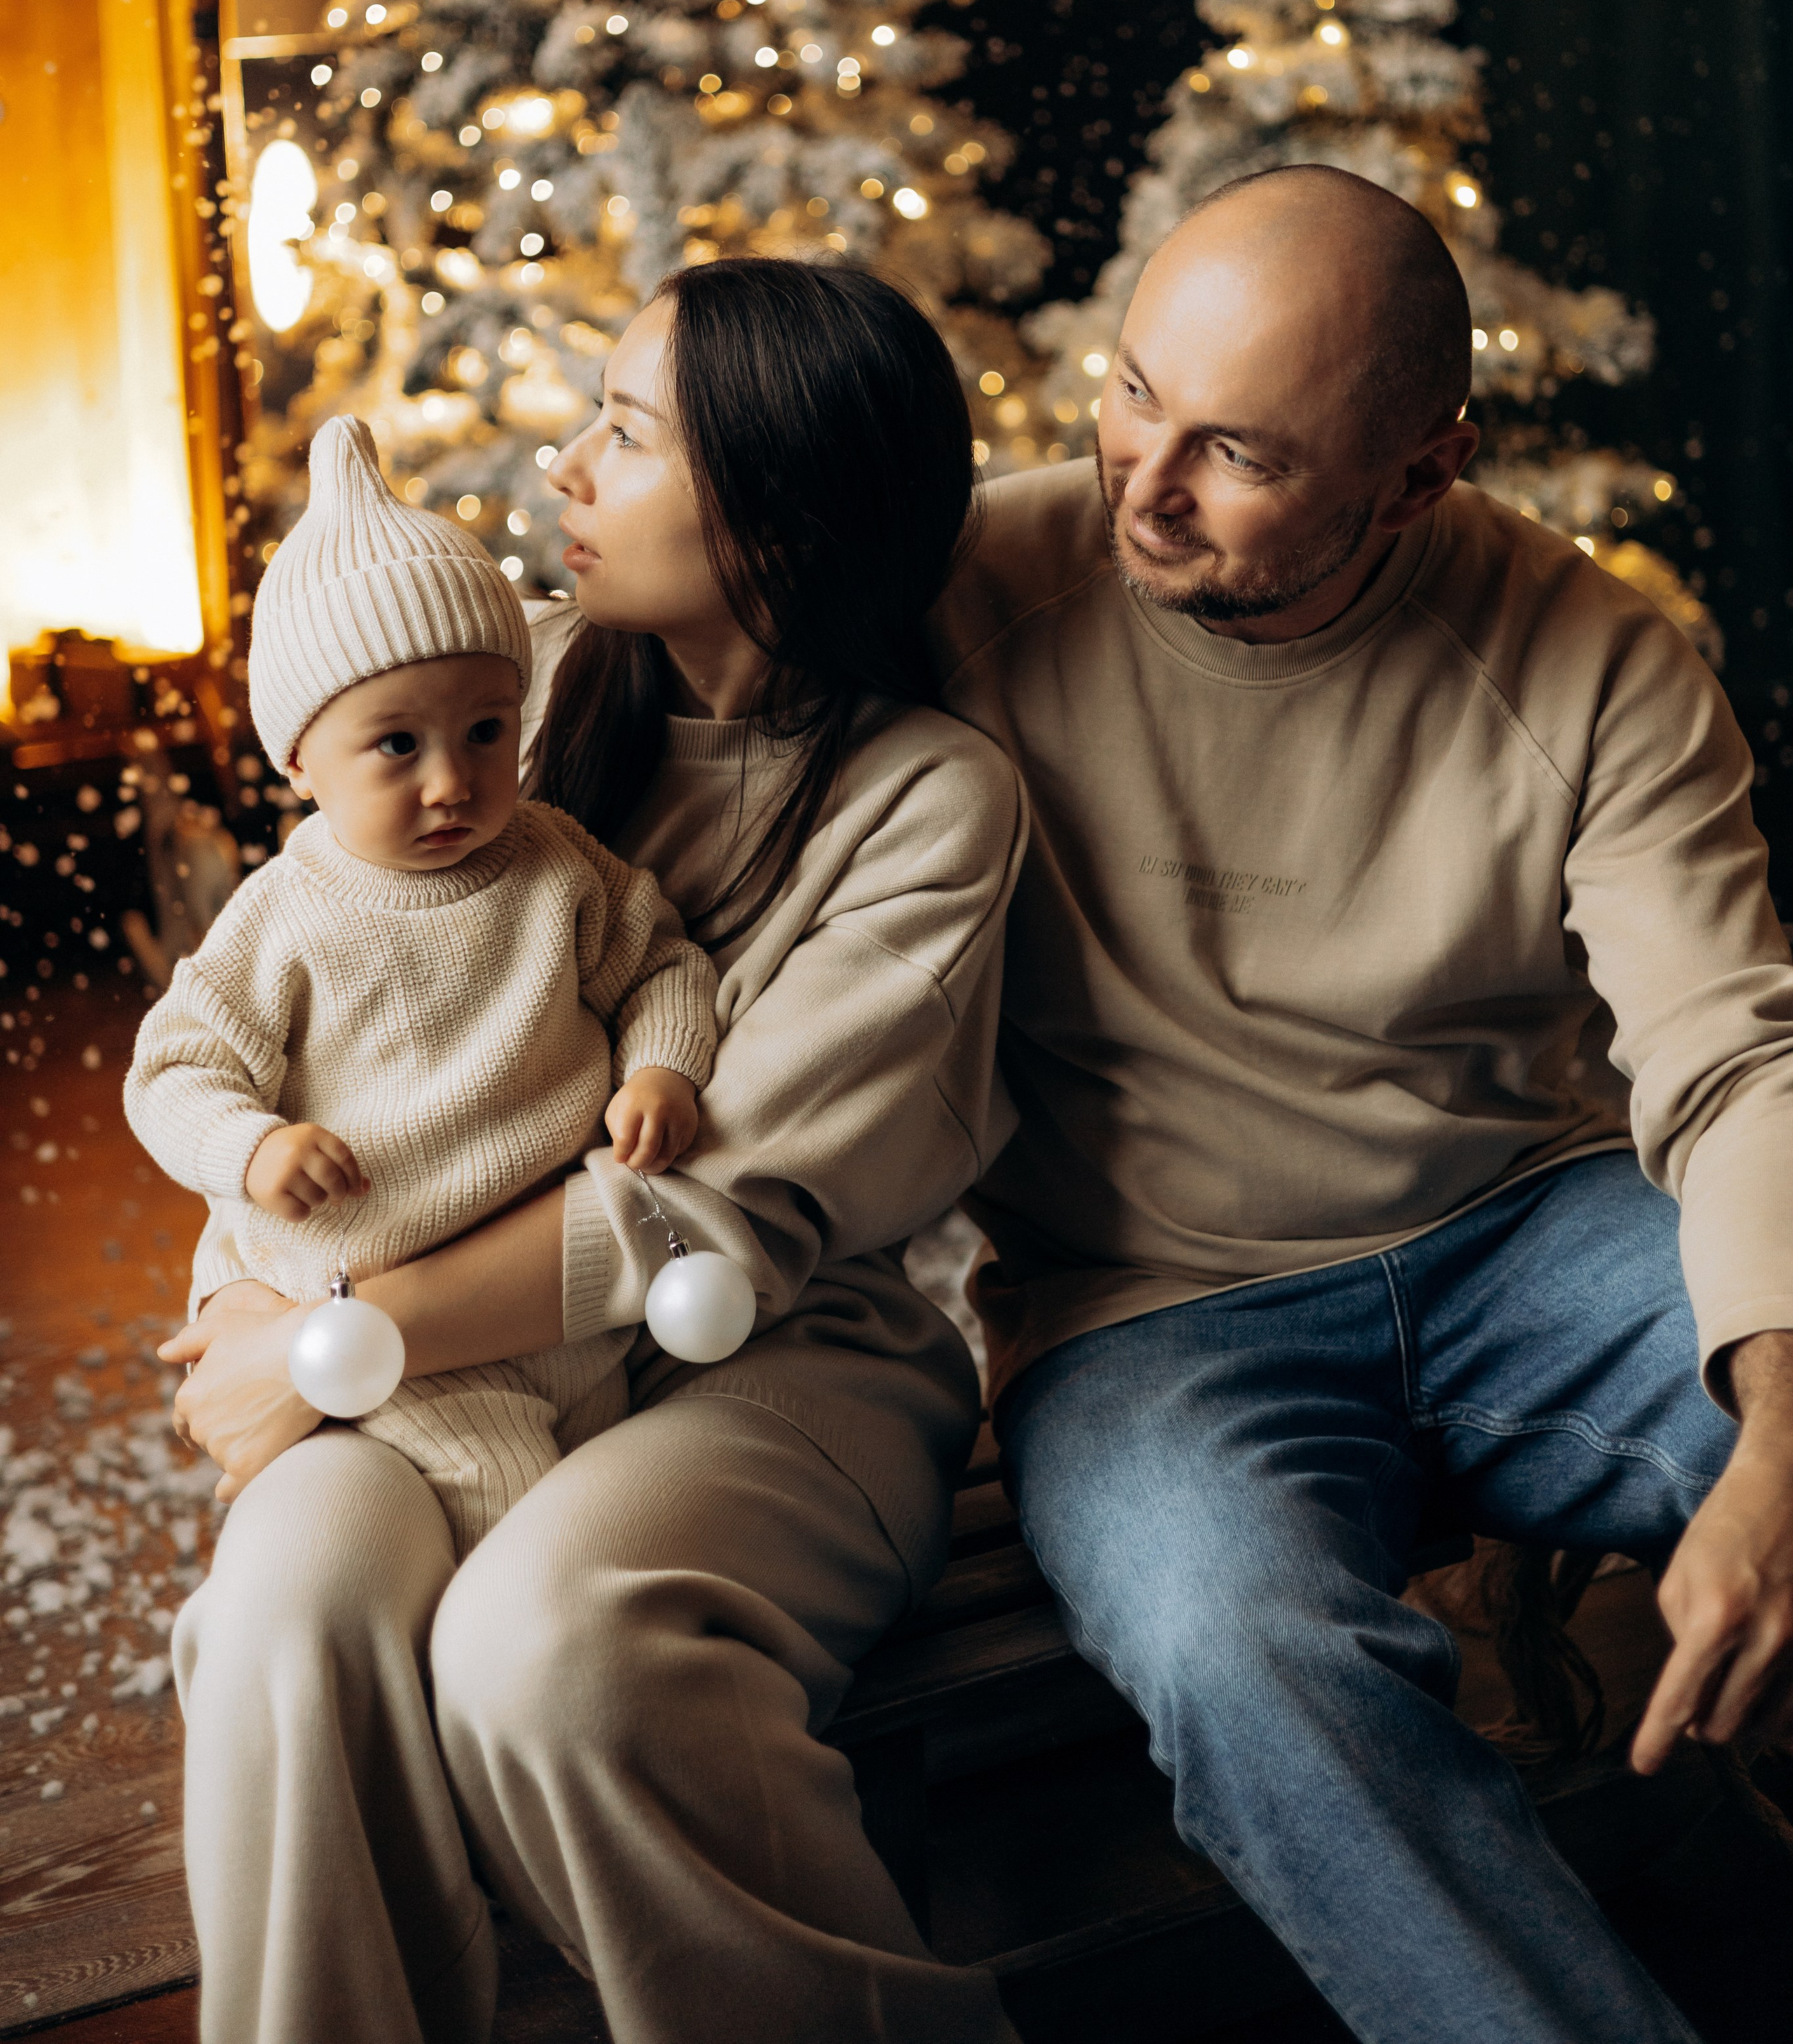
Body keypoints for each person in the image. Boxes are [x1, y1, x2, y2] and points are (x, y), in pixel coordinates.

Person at [934, 163, 1793, 2044]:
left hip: (1531, 1236)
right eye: (1135, 389)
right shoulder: (968, 591)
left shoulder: (1593, 660)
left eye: (1235, 450)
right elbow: (642, 716)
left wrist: (1780, 1432)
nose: (1142, 482)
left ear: (1422, 473)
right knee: (1239, 1657)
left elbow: (1738, 1068)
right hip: (1150, 1316)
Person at [160, 262, 1027, 2044]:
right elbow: (302, 1003)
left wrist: (332, 1335)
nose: (565, 461)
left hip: (768, 1365)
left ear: (775, 513)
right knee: (286, 1621)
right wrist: (263, 1300)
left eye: (625, 431)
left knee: (541, 1652)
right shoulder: (513, 687)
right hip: (425, 1369)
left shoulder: (930, 799)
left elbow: (708, 1215)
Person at [127, 414, 717, 1559]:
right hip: (374, 1310)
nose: (452, 783)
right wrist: (250, 1148)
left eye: (487, 731)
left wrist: (662, 1063)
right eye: (397, 747)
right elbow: (174, 1069)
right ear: (300, 761)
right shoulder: (287, 916)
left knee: (618, 1481)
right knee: (516, 1518)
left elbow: (662, 964)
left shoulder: (557, 865)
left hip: (549, 1304)